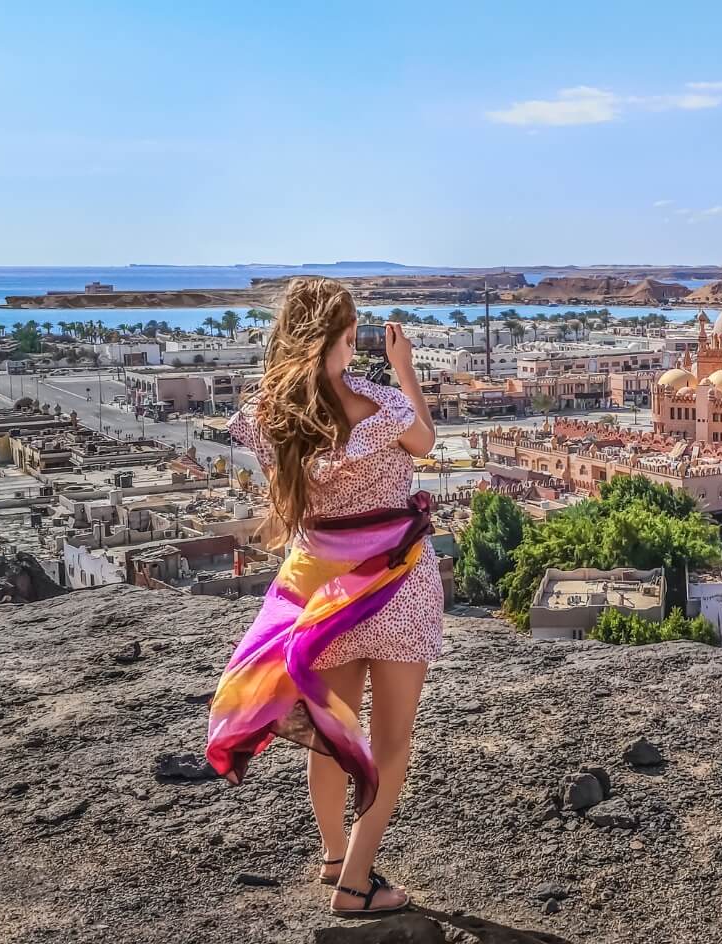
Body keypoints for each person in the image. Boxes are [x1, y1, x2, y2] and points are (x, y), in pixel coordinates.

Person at [205, 277, 440, 917]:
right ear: (345, 336)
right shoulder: (382, 406)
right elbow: (425, 439)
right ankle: (355, 885)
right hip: (394, 588)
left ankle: (336, 854)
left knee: (336, 734)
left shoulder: (269, 417)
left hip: (321, 591)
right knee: (391, 743)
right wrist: (405, 369)